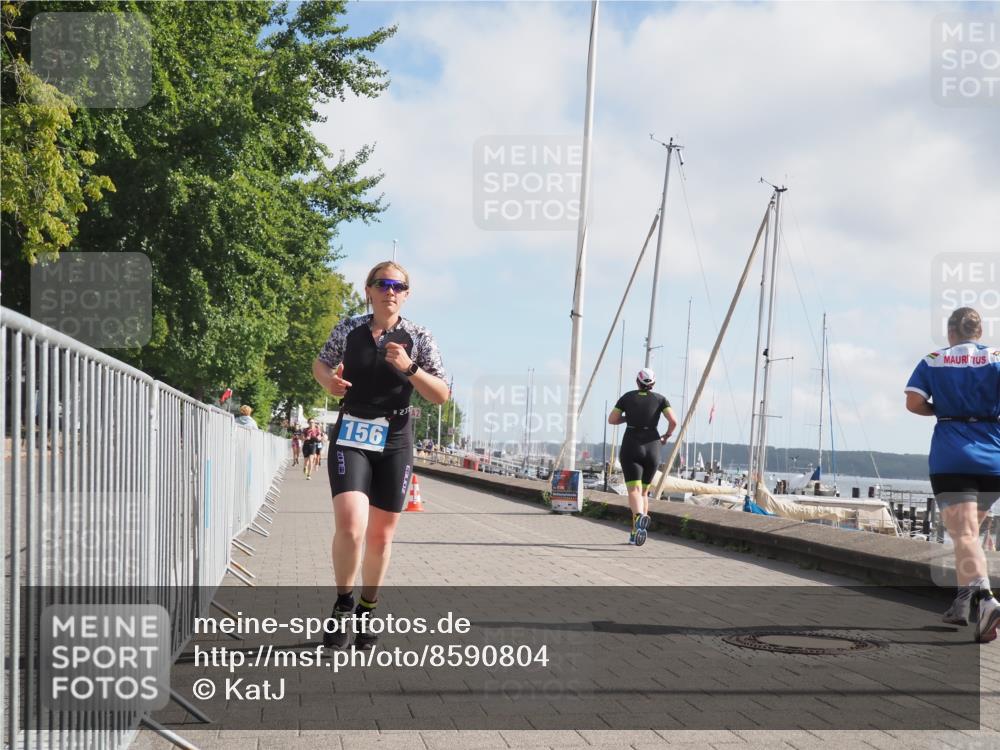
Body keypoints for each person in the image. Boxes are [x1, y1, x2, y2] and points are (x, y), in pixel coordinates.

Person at [313, 260, 449, 648]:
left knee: (381, 536)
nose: (390, 290)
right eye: (382, 283)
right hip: (353, 431)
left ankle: (368, 607)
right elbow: (321, 364)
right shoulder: (349, 329)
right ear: (368, 290)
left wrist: (411, 369)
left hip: (395, 439)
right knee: (351, 524)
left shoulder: (419, 337)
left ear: (406, 294)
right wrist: (329, 382)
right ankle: (343, 602)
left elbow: (440, 394)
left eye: (398, 285)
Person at [905, 307, 1000, 643]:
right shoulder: (997, 357)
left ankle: (987, 600)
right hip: (993, 459)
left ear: (950, 333)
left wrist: (943, 411)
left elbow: (914, 402)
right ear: (979, 330)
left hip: (952, 457)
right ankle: (960, 605)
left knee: (964, 535)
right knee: (970, 533)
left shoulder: (934, 359)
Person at [608, 368, 677, 546]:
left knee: (634, 491)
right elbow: (673, 421)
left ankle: (639, 518)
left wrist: (627, 417)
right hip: (653, 446)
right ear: (653, 384)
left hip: (632, 445)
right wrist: (666, 436)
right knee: (644, 492)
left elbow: (612, 419)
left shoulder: (627, 397)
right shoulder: (661, 399)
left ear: (637, 382)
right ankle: (636, 533)